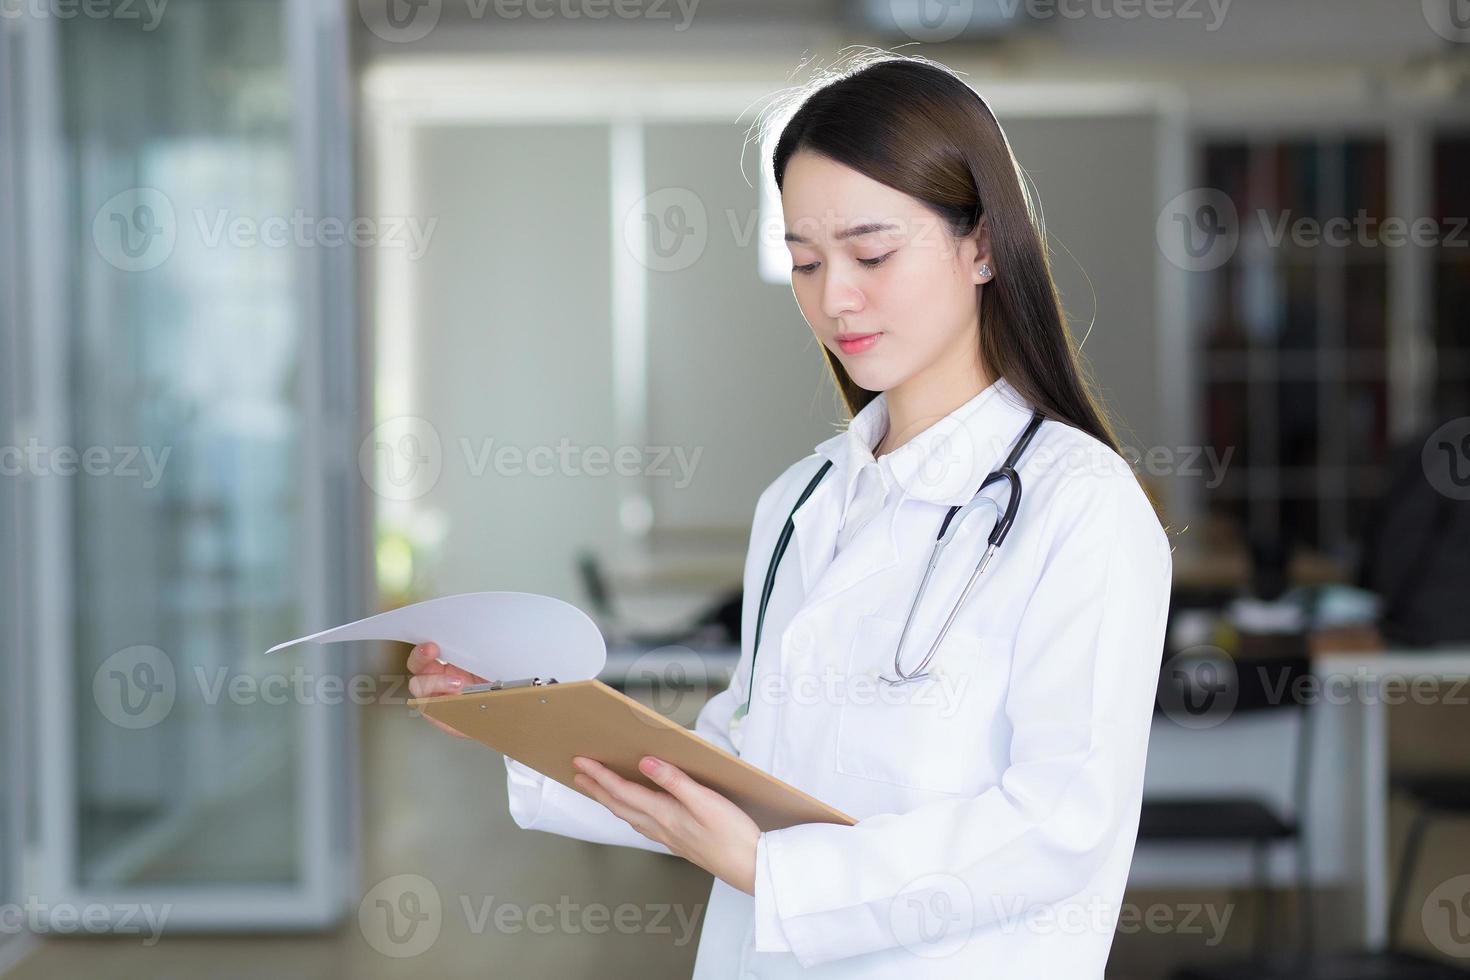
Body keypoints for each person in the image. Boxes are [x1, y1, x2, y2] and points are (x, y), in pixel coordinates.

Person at [408, 50, 1173, 979]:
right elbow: (746, 757)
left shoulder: (1079, 507)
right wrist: (515, 720)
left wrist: (779, 874)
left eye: (872, 252)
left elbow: (1061, 825)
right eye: (805, 262)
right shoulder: (803, 500)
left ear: (980, 245)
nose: (832, 297)